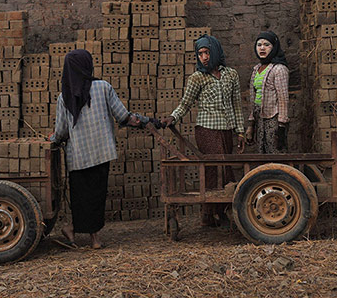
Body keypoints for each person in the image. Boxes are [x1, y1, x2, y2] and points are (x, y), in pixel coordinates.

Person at [50, 49, 144, 249]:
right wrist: (138, 120)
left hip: (78, 157)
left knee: (80, 197)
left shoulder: (64, 97)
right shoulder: (103, 87)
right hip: (101, 153)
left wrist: (53, 140)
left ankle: (73, 231)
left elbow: (61, 130)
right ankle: (94, 238)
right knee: (97, 195)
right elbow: (122, 115)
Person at [161, 35, 245, 226]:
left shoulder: (231, 74)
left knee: (227, 169)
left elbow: (237, 105)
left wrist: (240, 132)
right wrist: (173, 117)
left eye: (207, 52)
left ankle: (221, 211)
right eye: (200, 54)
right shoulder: (197, 78)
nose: (204, 57)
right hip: (207, 130)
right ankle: (208, 213)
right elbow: (186, 103)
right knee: (214, 170)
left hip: (226, 130)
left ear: (215, 52)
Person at [245, 31, 289, 153]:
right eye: (259, 45)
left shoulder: (279, 69)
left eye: (266, 45)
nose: (262, 48)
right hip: (259, 118)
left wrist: (281, 126)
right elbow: (253, 98)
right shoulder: (256, 69)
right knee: (261, 153)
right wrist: (251, 124)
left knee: (275, 153)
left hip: (273, 119)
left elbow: (283, 99)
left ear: (274, 47)